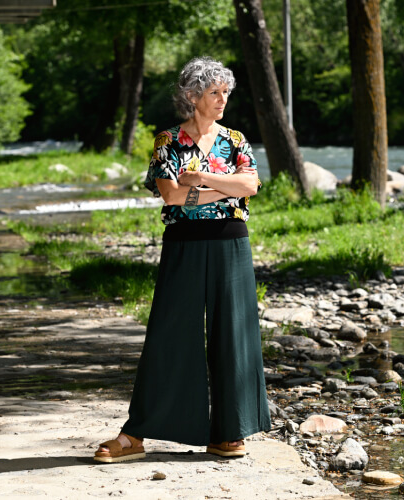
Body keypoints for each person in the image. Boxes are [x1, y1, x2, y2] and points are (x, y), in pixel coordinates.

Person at [94, 56, 271, 462]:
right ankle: (137, 434)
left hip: (232, 243)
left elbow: (251, 186)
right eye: (214, 92)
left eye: (226, 92)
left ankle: (230, 431)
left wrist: (204, 179)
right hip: (183, 244)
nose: (223, 99)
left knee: (234, 336)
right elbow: (172, 195)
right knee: (169, 335)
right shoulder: (167, 141)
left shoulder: (237, 139)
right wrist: (226, 190)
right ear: (193, 96)